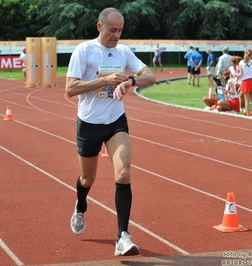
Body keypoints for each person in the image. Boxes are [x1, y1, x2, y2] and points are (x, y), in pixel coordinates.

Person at [65, 7, 156, 257]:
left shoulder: (123, 51)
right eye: (112, 30)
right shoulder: (84, 50)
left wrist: (130, 81)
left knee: (124, 172)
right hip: (89, 123)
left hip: (116, 120)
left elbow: (151, 76)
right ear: (99, 27)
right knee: (88, 179)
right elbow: (70, 89)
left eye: (120, 30)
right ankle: (81, 205)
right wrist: (104, 81)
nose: (117, 35)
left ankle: (123, 237)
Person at [237, 49, 252, 116]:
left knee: (247, 100)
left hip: (245, 82)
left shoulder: (241, 63)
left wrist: (235, 74)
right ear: (251, 55)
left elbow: (240, 74)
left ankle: (248, 114)